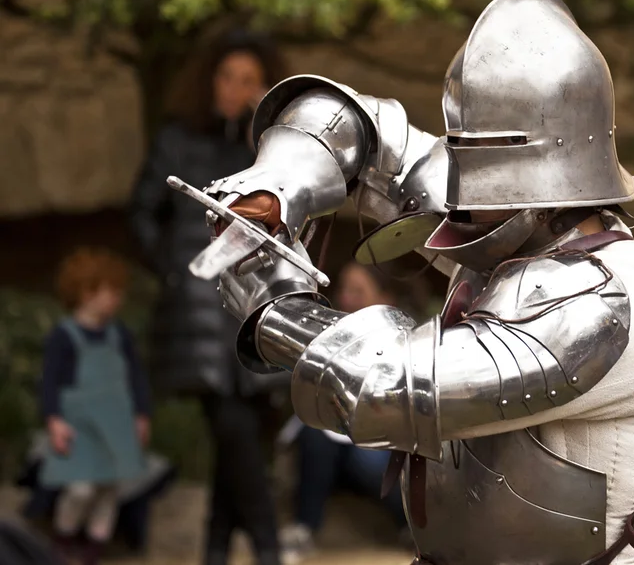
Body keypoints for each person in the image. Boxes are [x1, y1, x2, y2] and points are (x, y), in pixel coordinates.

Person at [185, 0, 634, 565]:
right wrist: (278, 185)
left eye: (479, 167)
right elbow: (351, 124)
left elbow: (384, 386)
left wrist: (274, 307)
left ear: (535, 180)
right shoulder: (515, 242)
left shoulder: (614, 299)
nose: (456, 192)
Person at [129, 28, 290, 565]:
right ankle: (268, 548)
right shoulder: (177, 139)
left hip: (252, 308)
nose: (235, 88)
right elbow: (142, 214)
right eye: (227, 76)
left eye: (249, 81)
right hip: (198, 310)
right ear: (210, 80)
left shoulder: (267, 151)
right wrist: (175, 270)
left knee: (238, 436)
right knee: (233, 428)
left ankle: (216, 550)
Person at [279, 262, 428, 564]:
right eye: (344, 290)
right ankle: (304, 528)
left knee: (373, 460)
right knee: (315, 436)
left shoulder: (409, 343)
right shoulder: (327, 337)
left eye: (358, 291)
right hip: (334, 439)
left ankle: (412, 530)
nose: (347, 299)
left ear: (385, 300)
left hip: (381, 443)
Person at [38, 247, 151, 565]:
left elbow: (136, 377)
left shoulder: (120, 335)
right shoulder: (63, 336)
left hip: (116, 420)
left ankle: (94, 548)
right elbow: (49, 382)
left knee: (110, 487)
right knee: (81, 488)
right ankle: (63, 537)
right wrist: (53, 419)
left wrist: (142, 415)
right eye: (110, 291)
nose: (117, 299)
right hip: (79, 426)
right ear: (86, 293)